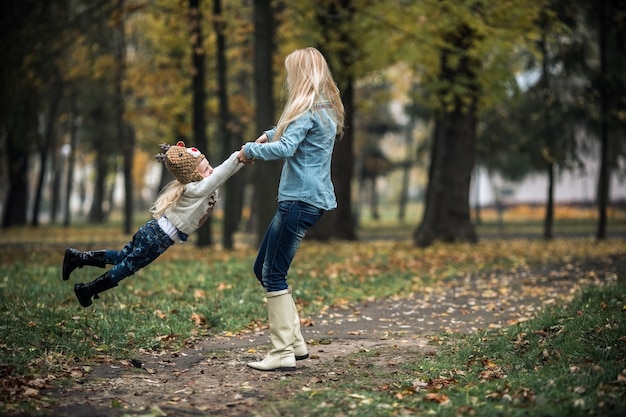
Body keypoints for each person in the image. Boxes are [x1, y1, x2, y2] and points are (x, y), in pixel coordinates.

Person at [237, 47, 345, 371]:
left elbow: (286, 146)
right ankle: (295, 344)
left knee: (273, 273)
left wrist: (250, 149)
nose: (288, 79)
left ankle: (282, 351)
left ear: (301, 74)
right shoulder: (325, 108)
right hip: (307, 200)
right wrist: (269, 134)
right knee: (263, 270)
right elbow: (295, 135)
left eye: (291, 73)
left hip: (298, 201)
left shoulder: (307, 109)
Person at [63, 141, 245, 308]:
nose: (211, 171)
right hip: (157, 239)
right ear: (193, 175)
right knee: (126, 267)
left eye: (209, 166)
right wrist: (242, 155)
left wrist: (242, 158)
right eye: (206, 170)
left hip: (152, 230)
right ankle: (87, 290)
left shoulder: (198, 187)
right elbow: (223, 172)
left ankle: (77, 257)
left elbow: (219, 175)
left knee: (121, 258)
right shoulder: (195, 188)